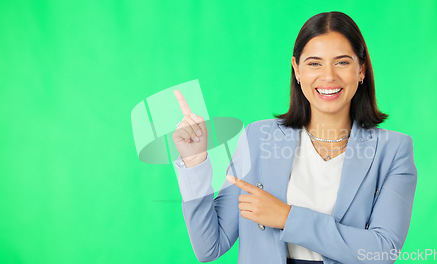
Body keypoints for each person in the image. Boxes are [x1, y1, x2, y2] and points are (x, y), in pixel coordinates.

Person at [172, 11, 417, 264]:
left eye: (342, 62)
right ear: (297, 70)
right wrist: (195, 162)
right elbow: (209, 247)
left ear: (361, 70)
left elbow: (383, 251)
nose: (328, 76)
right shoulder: (259, 138)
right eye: (314, 63)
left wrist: (288, 217)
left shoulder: (393, 150)